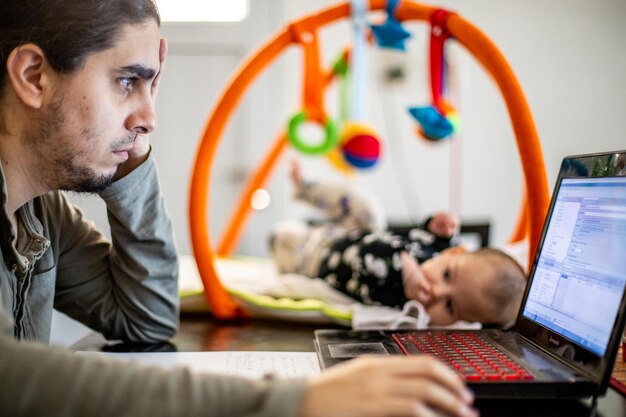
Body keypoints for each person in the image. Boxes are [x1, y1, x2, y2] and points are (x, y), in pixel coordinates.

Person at [0, 1, 478, 416]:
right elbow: (12, 377)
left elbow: (144, 319)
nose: (151, 118)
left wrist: (130, 147)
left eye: (152, 86)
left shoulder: (41, 215)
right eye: (127, 81)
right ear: (33, 76)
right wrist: (296, 403)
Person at [270, 161, 526, 328]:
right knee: (370, 211)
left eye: (450, 307)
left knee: (283, 236)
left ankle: (287, 237)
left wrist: (406, 271)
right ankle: (306, 187)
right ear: (454, 252)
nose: (436, 291)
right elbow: (421, 238)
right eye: (447, 275)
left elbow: (368, 257)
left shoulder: (403, 306)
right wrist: (436, 227)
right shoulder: (439, 251)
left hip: (316, 255)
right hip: (353, 232)